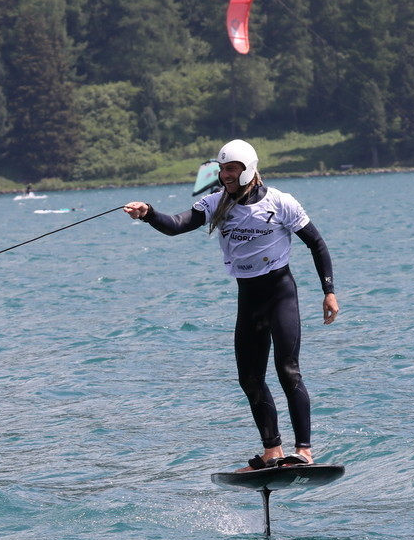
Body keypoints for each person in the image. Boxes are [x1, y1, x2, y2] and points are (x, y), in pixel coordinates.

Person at [124, 140, 338, 471]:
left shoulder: (280, 202)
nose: (223, 174)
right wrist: (149, 214)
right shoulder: (214, 204)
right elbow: (177, 224)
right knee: (250, 378)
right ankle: (272, 452)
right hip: (249, 298)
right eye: (221, 169)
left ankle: (305, 452)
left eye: (230, 169)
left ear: (248, 169)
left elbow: (317, 243)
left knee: (287, 370)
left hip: (280, 294)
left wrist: (329, 291)